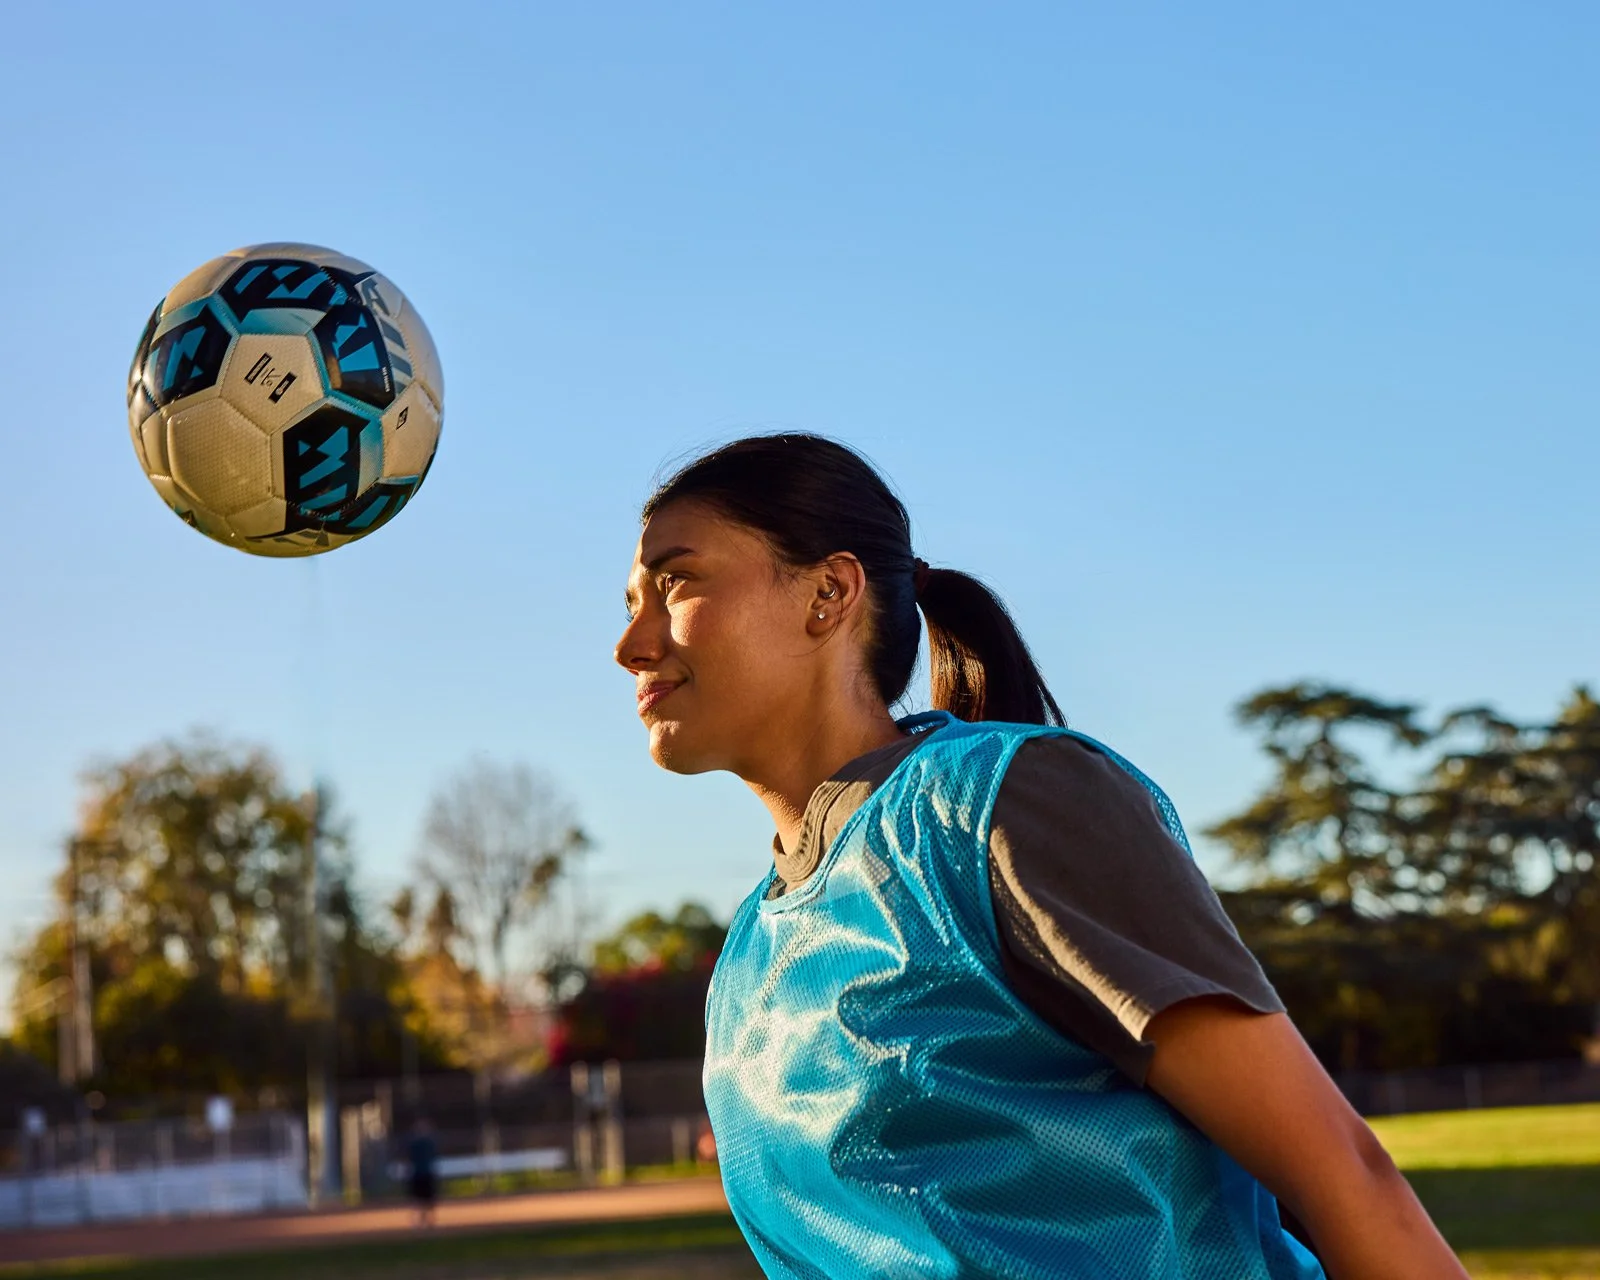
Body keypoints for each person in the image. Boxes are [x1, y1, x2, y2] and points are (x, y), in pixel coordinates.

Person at [614, 434, 1467, 1279]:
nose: (632, 644)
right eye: (628, 605)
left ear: (830, 592)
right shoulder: (746, 963)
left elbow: (1343, 1176)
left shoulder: (1000, 806)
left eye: (674, 583)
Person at [405, 1116, 439, 1228]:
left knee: (424, 1199)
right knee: (422, 1199)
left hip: (422, 1173)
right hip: (422, 1173)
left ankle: (425, 1220)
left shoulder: (418, 1143)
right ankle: (423, 1220)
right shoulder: (427, 1143)